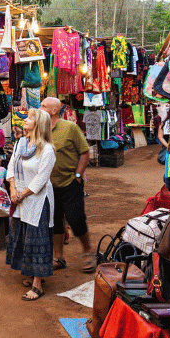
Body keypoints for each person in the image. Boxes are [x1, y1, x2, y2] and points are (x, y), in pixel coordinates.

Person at [6, 108, 56, 301]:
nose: (25, 121)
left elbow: (42, 179)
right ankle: (31, 274)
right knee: (24, 235)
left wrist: (22, 194)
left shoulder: (48, 150)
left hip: (38, 200)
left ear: (39, 124)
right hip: (20, 197)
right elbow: (12, 165)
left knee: (37, 239)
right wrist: (12, 189)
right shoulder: (21, 143)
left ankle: (38, 285)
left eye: (29, 118)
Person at [43, 97, 95, 273]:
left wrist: (78, 175)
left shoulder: (70, 127)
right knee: (54, 221)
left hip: (70, 182)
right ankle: (58, 257)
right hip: (49, 185)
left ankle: (88, 251)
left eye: (43, 105)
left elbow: (84, 151)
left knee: (76, 218)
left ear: (54, 111)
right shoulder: (40, 129)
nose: (39, 107)